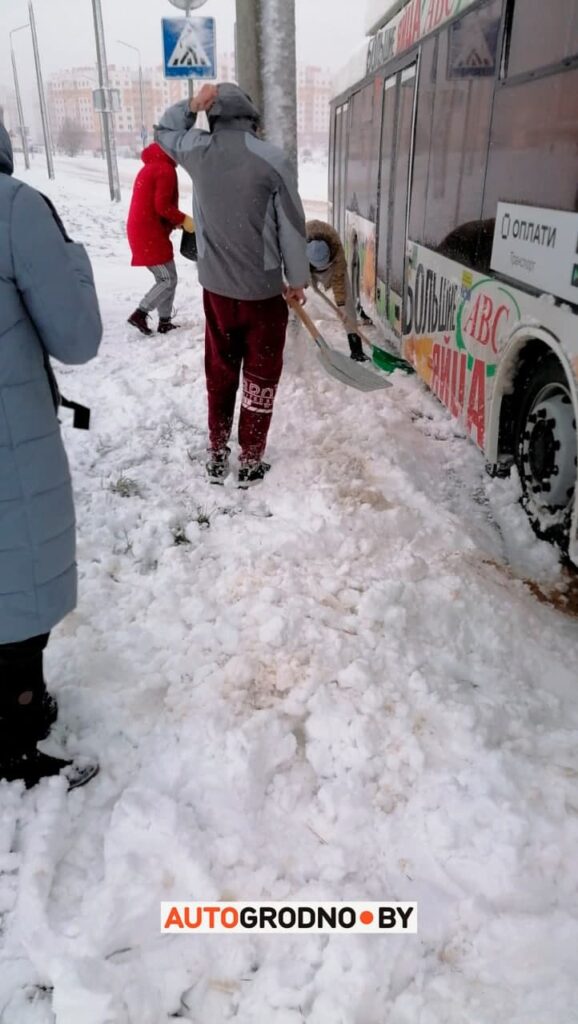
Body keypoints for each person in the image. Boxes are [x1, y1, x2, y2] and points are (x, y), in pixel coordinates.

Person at [0, 124, 102, 788]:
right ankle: (14, 739)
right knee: (13, 583)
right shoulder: (14, 208)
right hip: (9, 447)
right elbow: (78, 337)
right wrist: (73, 260)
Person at [155, 83, 309, 487]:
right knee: (261, 376)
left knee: (220, 370)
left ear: (214, 116)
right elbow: (292, 226)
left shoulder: (198, 151)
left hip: (218, 293)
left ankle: (217, 449)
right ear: (252, 119)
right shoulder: (272, 159)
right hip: (263, 296)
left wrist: (191, 106)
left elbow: (163, 133)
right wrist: (296, 280)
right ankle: (251, 458)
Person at [126, 141, 194, 336]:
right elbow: (162, 206)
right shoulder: (165, 169)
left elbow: (152, 205)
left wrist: (174, 223)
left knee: (167, 277)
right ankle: (141, 312)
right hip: (149, 233)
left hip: (144, 230)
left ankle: (164, 321)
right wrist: (183, 219)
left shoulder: (150, 167)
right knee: (167, 279)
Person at [306, 219, 369, 362]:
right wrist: (307, 283)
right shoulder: (297, 246)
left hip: (333, 266)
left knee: (347, 304)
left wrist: (341, 306)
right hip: (306, 268)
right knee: (294, 296)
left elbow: (339, 281)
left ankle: (356, 349)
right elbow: (296, 273)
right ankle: (293, 331)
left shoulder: (336, 251)